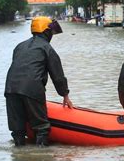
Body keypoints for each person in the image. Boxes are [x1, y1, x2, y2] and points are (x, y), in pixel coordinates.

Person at [5, 16, 73, 147]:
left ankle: (20, 158)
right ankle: (40, 158)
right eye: (51, 32)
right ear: (46, 32)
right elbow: (57, 76)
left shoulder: (20, 46)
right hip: (32, 89)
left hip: (10, 88)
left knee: (17, 130)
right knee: (41, 127)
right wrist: (65, 95)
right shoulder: (47, 48)